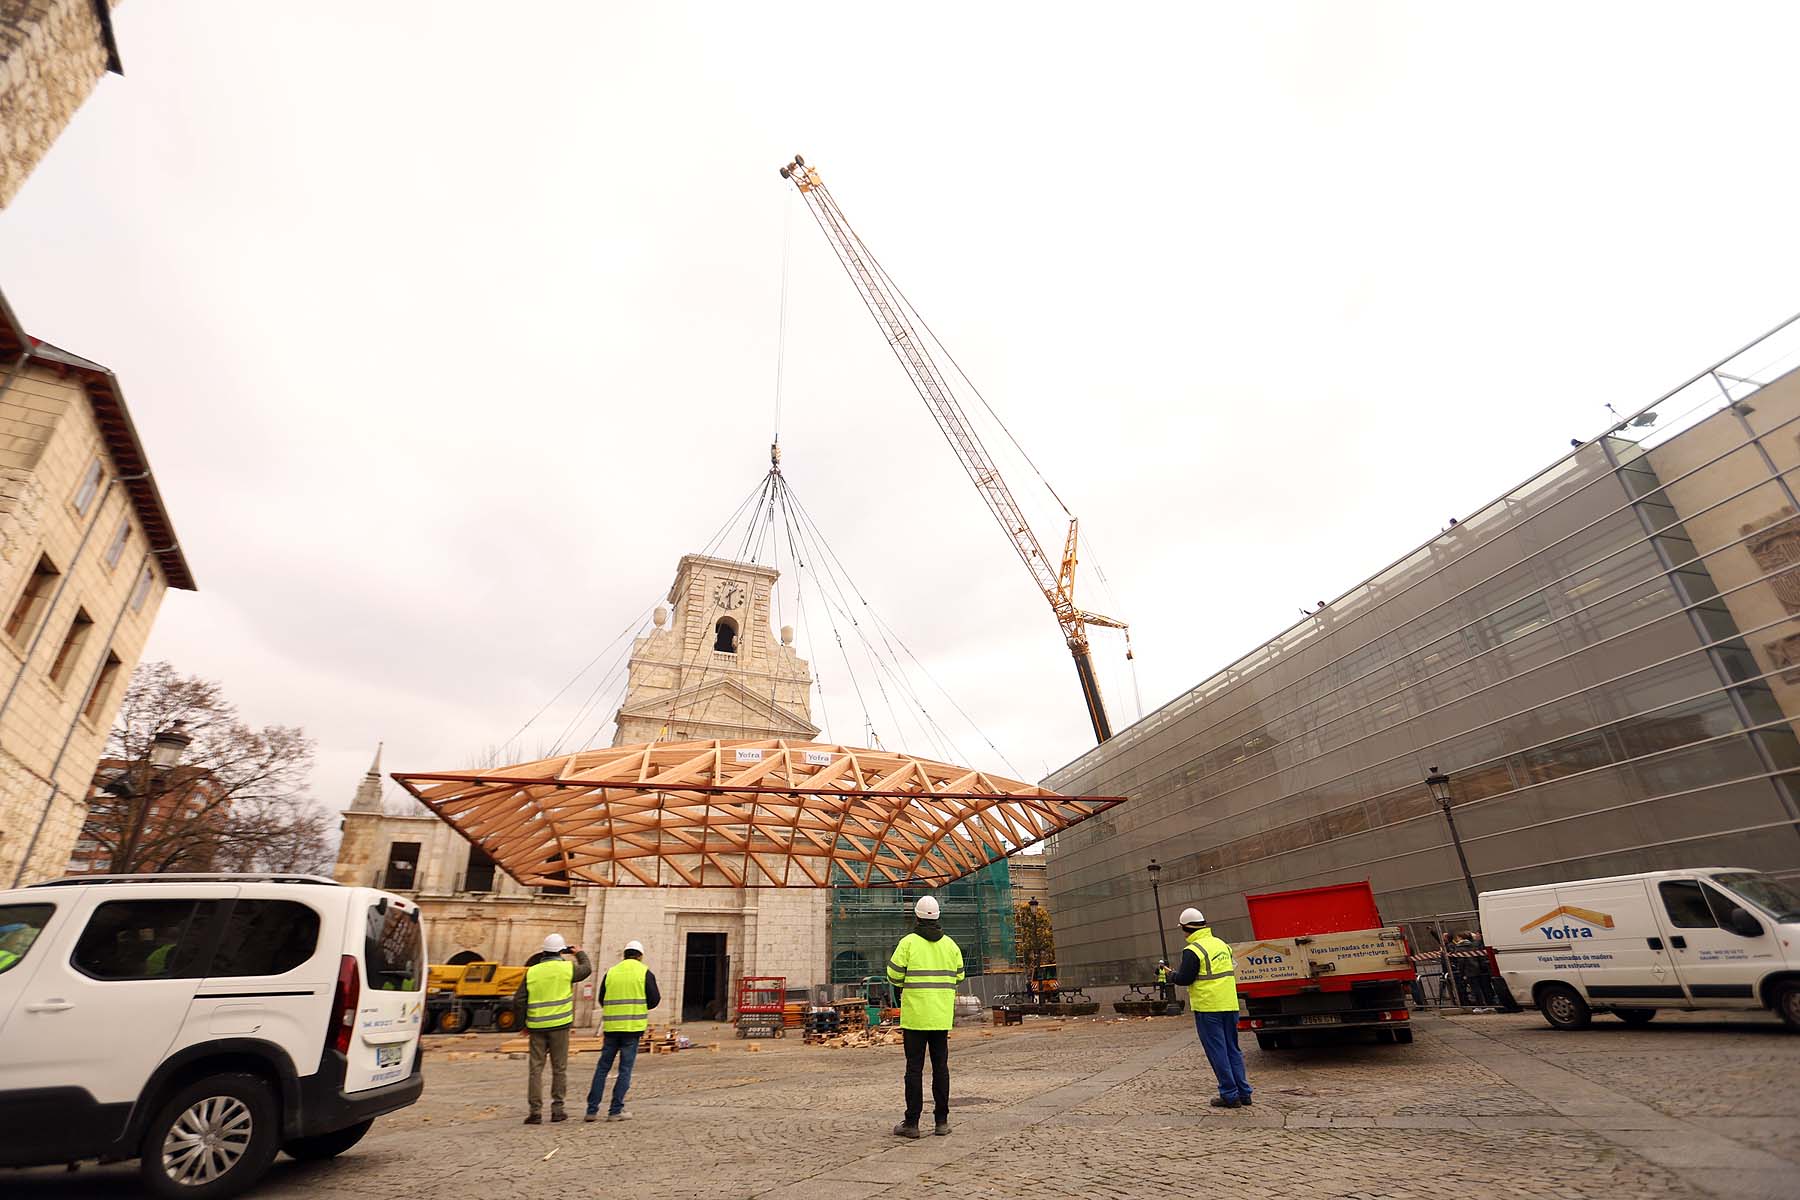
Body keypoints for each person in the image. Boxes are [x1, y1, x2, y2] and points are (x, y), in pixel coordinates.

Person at [887, 895, 964, 1139]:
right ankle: (941, 1121)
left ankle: (912, 1123)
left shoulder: (908, 943)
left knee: (914, 1070)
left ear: (917, 916)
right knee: (941, 1068)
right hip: (940, 1018)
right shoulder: (951, 945)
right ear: (938, 916)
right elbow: (959, 976)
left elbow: (893, 975)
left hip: (915, 1018)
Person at [1166, 907, 1251, 1109]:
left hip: (1208, 1007)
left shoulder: (1193, 950)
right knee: (1233, 1049)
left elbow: (1185, 978)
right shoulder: (1222, 945)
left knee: (1217, 1051)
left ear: (1186, 928)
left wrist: (1170, 975)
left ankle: (1229, 1095)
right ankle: (1244, 1092)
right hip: (1229, 1004)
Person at [514, 933, 591, 1124]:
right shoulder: (566, 968)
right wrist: (580, 953)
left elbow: (519, 1000)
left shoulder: (532, 971)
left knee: (535, 1069)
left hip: (537, 1026)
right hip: (560, 1026)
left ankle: (535, 1112)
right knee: (559, 1068)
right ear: (561, 951)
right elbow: (587, 969)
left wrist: (522, 1024)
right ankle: (558, 1110)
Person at [585, 939, 661, 1122]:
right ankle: (615, 1111)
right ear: (640, 956)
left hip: (611, 1028)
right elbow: (655, 999)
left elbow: (602, 999)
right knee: (625, 1069)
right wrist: (639, 1006)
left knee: (602, 1068)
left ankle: (591, 1110)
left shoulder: (611, 972)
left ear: (624, 954)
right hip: (632, 1029)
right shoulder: (644, 972)